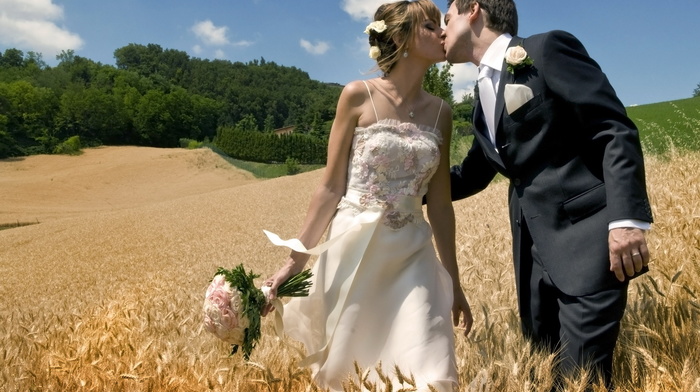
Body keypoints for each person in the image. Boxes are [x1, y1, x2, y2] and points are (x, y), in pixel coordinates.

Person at [440, 0, 653, 389]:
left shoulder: (546, 49)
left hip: (589, 245)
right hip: (532, 256)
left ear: (473, 9)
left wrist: (626, 221)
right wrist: (400, 190)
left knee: (580, 379)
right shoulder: (480, 95)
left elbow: (614, 128)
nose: (441, 30)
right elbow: (473, 173)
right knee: (544, 371)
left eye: (446, 17)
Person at [260, 1, 473, 391]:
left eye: (443, 24)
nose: (444, 33)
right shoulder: (357, 96)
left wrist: (455, 283)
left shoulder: (442, 112)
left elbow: (440, 206)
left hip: (414, 256)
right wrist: (294, 262)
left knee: (431, 371)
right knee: (349, 372)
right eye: (431, 26)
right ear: (400, 38)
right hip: (354, 254)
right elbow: (329, 188)